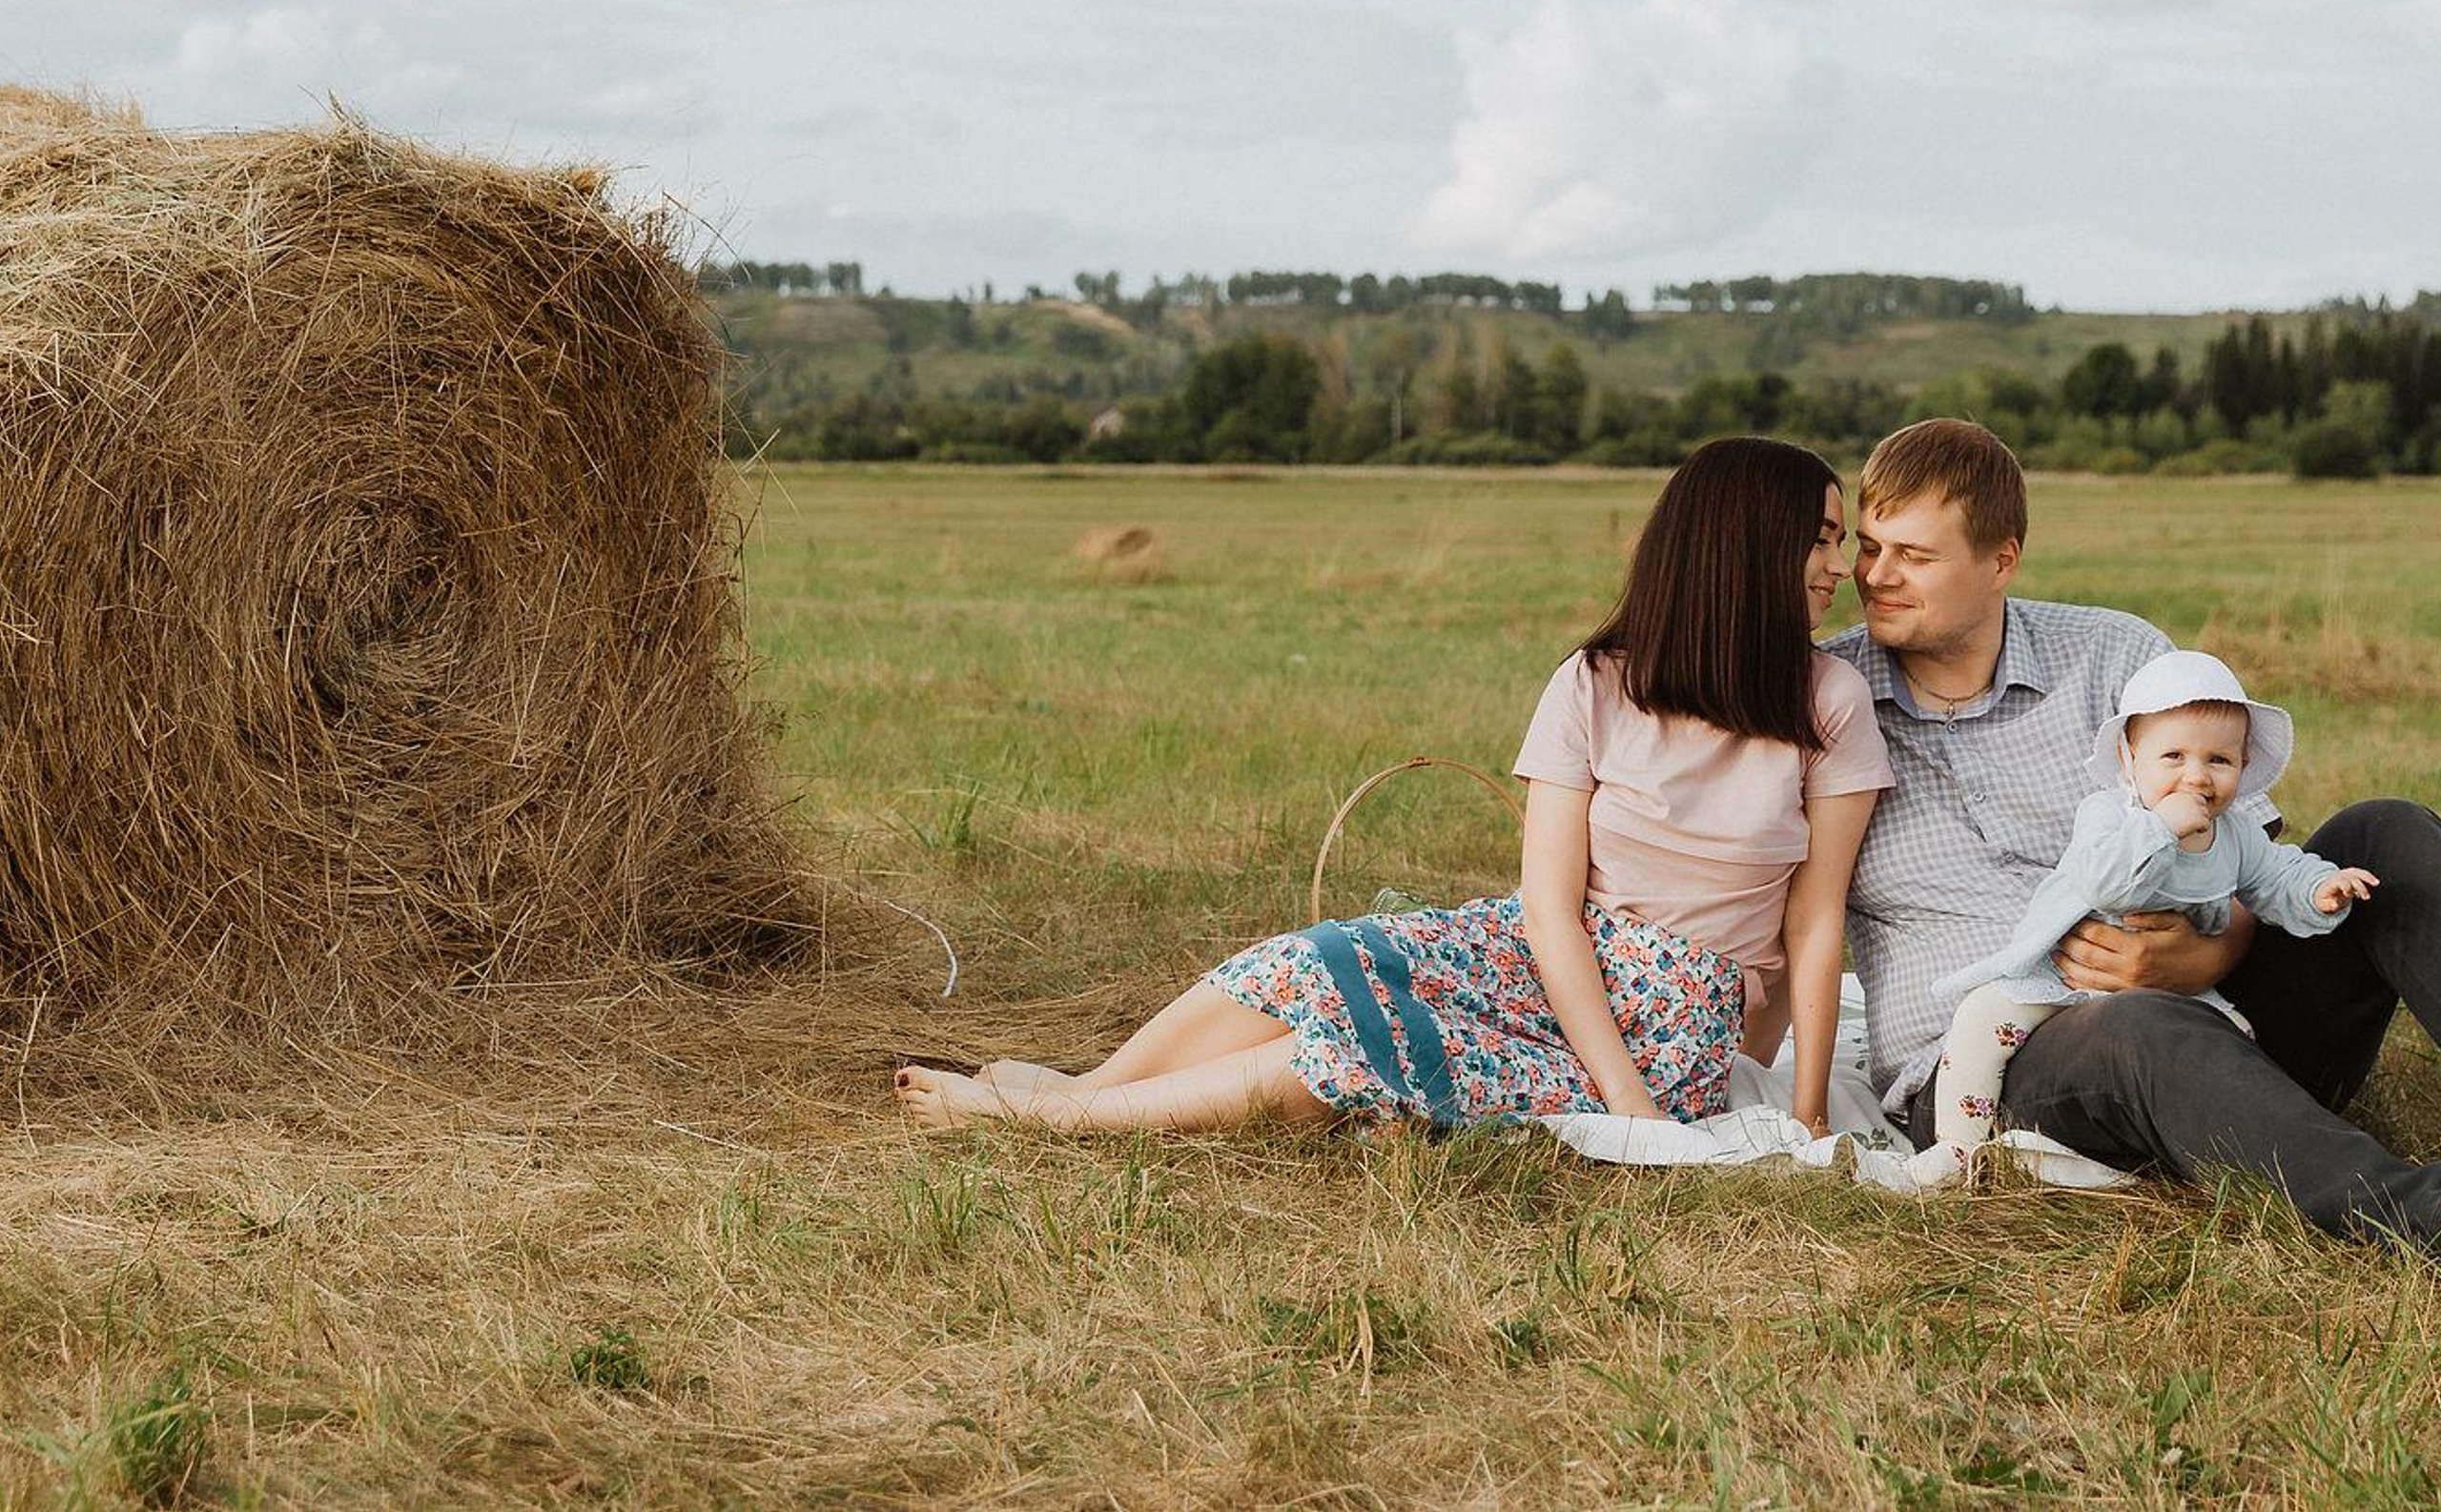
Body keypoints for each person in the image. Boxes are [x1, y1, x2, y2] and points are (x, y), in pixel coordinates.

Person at [896, 436, 1894, 1138]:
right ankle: (1090, 1084)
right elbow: (1547, 908)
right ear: (1740, 544)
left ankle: (1056, 1118)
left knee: (1366, 1056)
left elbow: (1814, 926)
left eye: (1837, 541)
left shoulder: (1828, 702)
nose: (1837, 567)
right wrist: (1608, 1082)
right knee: (1318, 957)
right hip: (1547, 952)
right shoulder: (1598, 680)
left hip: (1679, 1011)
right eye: (1818, 538)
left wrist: (1792, 1107)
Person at [1830, 417, 2441, 1245]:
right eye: (1869, 546)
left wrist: (2207, 955)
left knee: (2385, 835)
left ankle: (2259, 1113)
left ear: (2001, 559)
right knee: (2137, 1026)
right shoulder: (1824, 700)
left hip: (2227, 1018)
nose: (1876, 575)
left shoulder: (2117, 655)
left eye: (1916, 555)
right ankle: (2414, 1213)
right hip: (1998, 1065)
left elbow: (2251, 853)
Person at [1908, 648, 2377, 1186]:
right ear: (2131, 761)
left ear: (2243, 767)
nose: (2196, 778)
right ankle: (1958, 1151)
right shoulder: (2108, 815)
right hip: (2060, 976)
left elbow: (2274, 876)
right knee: (1980, 1020)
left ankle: (2208, 1150)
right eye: (2173, 757)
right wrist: (2160, 829)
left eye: (2218, 761)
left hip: (2174, 996)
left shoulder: (2237, 835)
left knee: (2231, 1046)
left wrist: (2320, 889)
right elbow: (2101, 882)